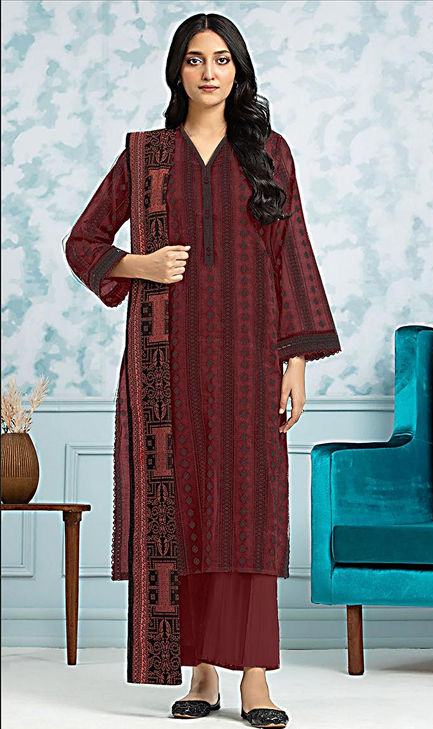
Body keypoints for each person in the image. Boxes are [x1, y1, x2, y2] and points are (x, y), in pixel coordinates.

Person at [64, 12, 341, 729]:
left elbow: (292, 253)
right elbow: (83, 239)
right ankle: (202, 672)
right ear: (177, 71)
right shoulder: (147, 156)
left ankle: (256, 680)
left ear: (238, 70)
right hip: (170, 360)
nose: (209, 71)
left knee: (247, 512)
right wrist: (140, 263)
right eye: (195, 59)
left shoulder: (269, 153)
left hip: (250, 357)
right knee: (182, 508)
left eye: (221, 59)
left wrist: (296, 360)